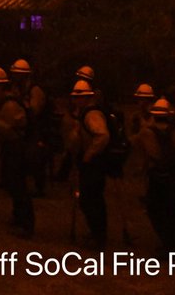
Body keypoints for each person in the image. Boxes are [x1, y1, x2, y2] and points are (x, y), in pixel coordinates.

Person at [0, 66, 34, 237]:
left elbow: (15, 129)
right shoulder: (0, 104)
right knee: (12, 184)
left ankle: (26, 223)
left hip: (17, 147)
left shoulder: (10, 105)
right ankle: (18, 216)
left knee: (19, 185)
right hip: (10, 146)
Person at [139, 98, 175, 254]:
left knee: (154, 208)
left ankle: (167, 243)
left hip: (158, 176)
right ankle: (174, 244)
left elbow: (152, 154)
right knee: (173, 210)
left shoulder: (147, 132)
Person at [67, 79, 109, 249]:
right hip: (90, 160)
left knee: (91, 198)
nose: (77, 100)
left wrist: (90, 153)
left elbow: (102, 135)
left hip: (94, 161)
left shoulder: (91, 114)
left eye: (81, 97)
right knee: (90, 198)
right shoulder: (84, 113)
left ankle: (99, 235)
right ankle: (96, 232)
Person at [10, 59, 49, 195]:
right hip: (24, 128)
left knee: (36, 158)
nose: (15, 77)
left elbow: (35, 111)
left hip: (37, 129)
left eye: (17, 74)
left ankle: (39, 187)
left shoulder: (34, 90)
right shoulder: (16, 88)